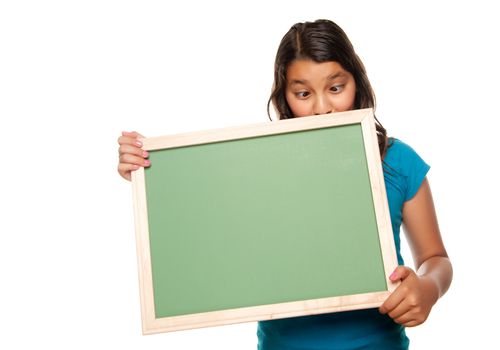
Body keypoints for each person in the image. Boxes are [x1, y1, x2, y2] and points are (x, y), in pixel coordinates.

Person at [117, 19, 452, 350]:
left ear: (358, 83)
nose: (323, 108)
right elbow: (203, 215)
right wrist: (152, 167)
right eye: (303, 93)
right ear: (285, 97)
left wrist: (428, 287)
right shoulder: (261, 166)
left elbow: (435, 258)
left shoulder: (398, 162)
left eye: (336, 88)